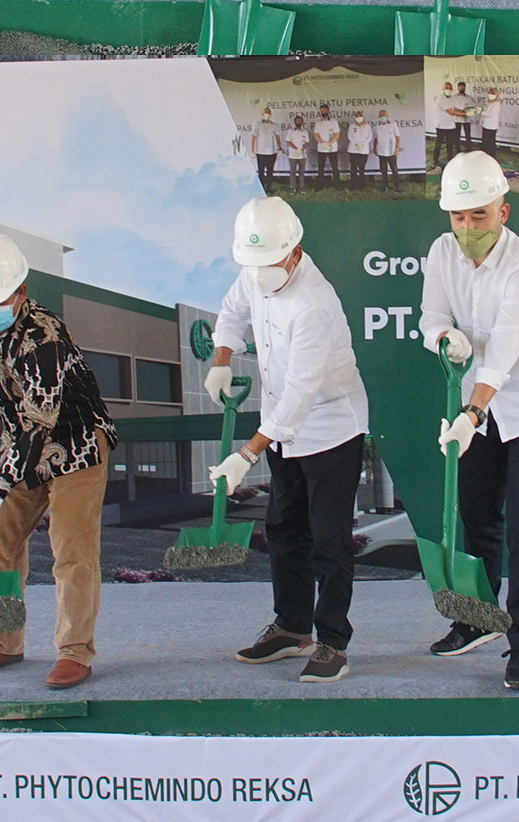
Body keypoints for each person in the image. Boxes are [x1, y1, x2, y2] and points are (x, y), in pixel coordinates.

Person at [419, 152, 519, 691]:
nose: (466, 228)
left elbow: (505, 351)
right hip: (474, 402)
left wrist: (472, 412)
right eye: (457, 217)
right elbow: (432, 317)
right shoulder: (441, 253)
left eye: (478, 216)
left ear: (503, 212)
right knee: (479, 513)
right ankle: (478, 619)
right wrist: (445, 338)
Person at [210, 198, 370, 683]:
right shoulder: (258, 270)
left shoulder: (314, 303)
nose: (259, 274)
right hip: (280, 427)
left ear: (295, 250)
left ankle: (331, 643)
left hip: (330, 428)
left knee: (329, 540)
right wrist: (221, 358)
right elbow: (232, 313)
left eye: (269, 264)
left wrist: (245, 455)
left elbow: (301, 395)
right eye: (251, 264)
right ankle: (292, 626)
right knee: (283, 528)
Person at [0, 235, 117, 690]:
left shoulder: (44, 335)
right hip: (19, 445)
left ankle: (75, 653)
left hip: (76, 445)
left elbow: (37, 422)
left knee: (72, 552)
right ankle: (2, 642)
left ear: (20, 291)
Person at [252, 107, 283, 189]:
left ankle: (269, 188)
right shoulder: (257, 124)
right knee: (261, 172)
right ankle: (261, 189)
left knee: (270, 172)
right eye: (265, 112)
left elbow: (277, 137)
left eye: (268, 112)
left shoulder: (274, 125)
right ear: (262, 114)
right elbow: (253, 137)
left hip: (271, 153)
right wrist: (252, 151)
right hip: (260, 152)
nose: (267, 114)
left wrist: (280, 148)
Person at [313, 104, 344, 183]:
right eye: (322, 111)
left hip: (332, 148)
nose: (324, 112)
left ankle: (337, 183)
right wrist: (322, 143)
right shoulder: (318, 123)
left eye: (325, 110)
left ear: (328, 111)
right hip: (321, 148)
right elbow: (316, 135)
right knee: (320, 167)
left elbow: (337, 134)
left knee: (334, 166)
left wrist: (329, 143)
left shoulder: (334, 122)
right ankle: (321, 183)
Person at [374, 108, 403, 189]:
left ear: (387, 116)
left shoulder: (393, 125)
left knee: (394, 170)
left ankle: (397, 185)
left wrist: (397, 149)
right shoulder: (377, 127)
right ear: (378, 117)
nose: (382, 116)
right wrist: (374, 148)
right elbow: (376, 139)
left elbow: (397, 137)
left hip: (391, 151)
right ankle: (385, 185)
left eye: (384, 115)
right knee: (383, 170)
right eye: (380, 115)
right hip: (381, 152)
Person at [284, 115, 312, 190]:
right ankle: (292, 187)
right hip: (293, 155)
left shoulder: (305, 131)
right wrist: (296, 149)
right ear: (294, 122)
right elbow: (288, 142)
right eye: (297, 121)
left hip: (302, 155)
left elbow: (307, 142)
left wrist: (302, 149)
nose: (298, 122)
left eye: (300, 121)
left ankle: (301, 187)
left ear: (302, 122)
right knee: (292, 172)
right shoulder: (291, 131)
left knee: (301, 172)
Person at [347, 111, 375, 183]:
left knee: (361, 168)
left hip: (364, 150)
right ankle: (353, 184)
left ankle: (362, 184)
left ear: (362, 117)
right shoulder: (352, 125)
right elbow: (349, 136)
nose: (358, 117)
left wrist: (362, 144)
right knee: (353, 168)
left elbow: (369, 137)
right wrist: (356, 143)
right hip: (353, 150)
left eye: (360, 116)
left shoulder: (367, 125)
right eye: (357, 116)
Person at [479, 86, 503, 155]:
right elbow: (485, 110)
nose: (490, 94)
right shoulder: (488, 102)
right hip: (485, 125)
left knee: (491, 143)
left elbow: (491, 114)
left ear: (496, 94)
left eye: (493, 93)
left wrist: (481, 112)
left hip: (491, 126)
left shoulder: (496, 104)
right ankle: (484, 156)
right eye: (489, 92)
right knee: (485, 143)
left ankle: (492, 157)